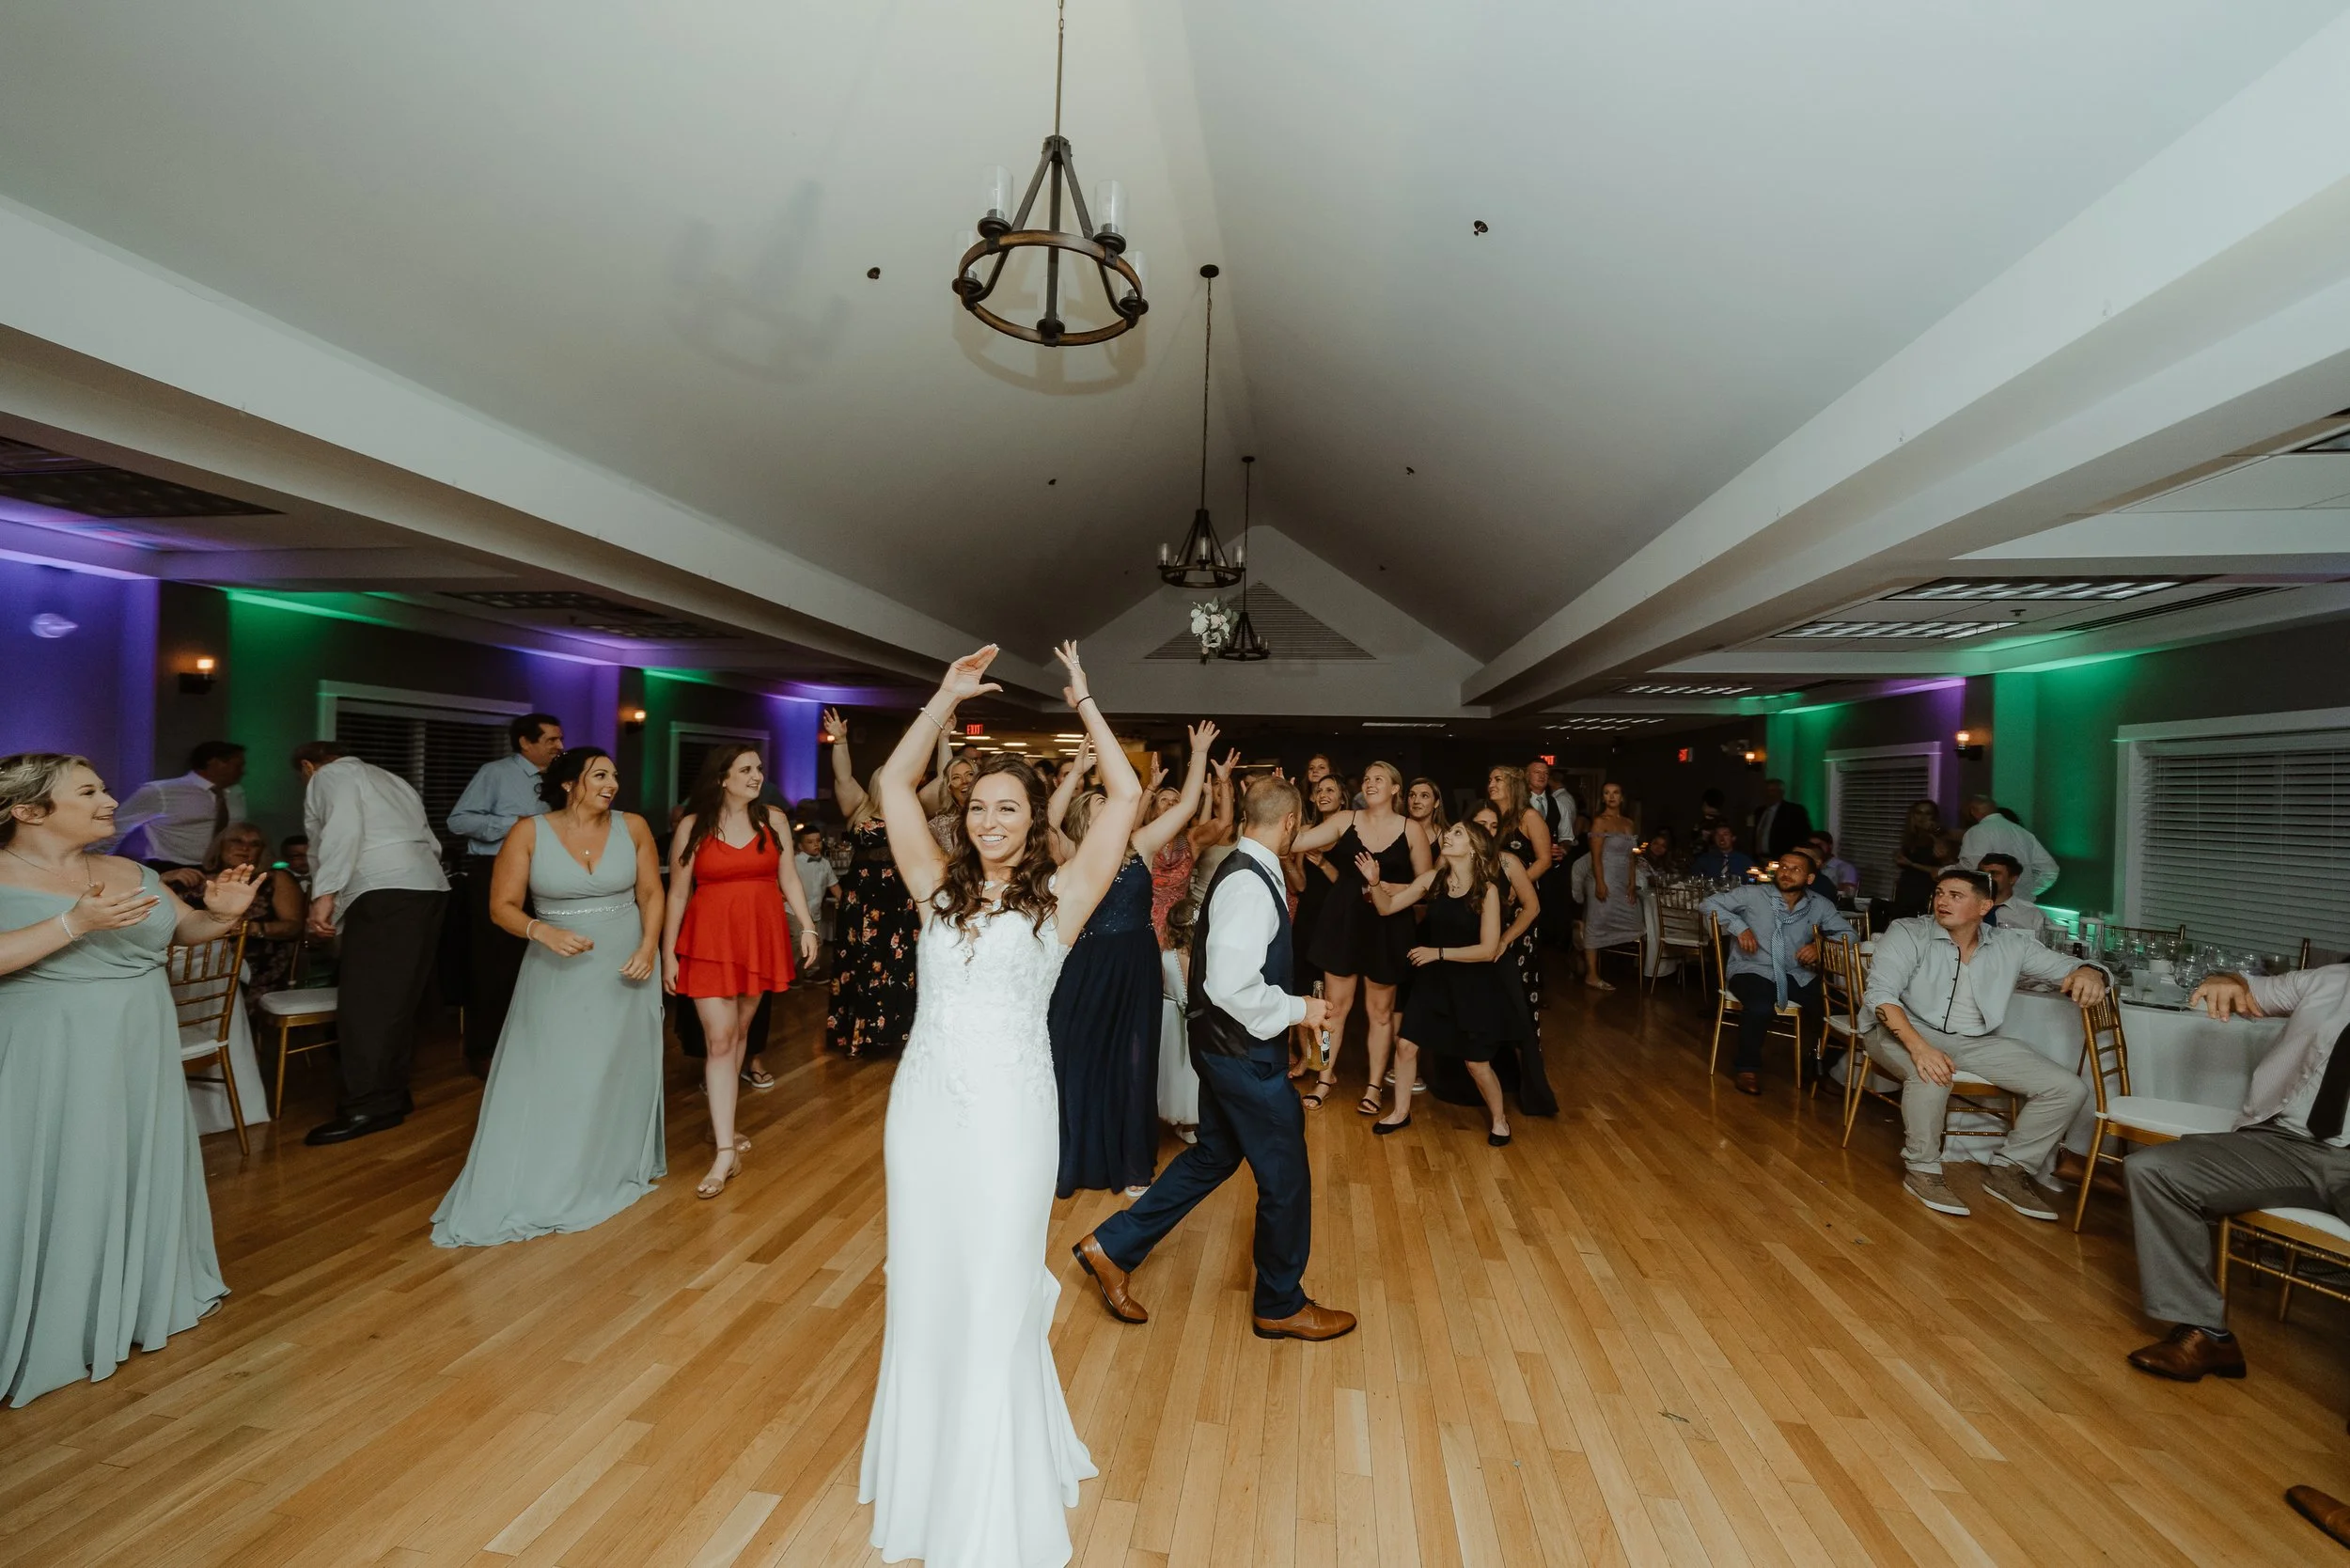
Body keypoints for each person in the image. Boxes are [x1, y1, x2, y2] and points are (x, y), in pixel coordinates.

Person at [856, 641, 1136, 1566]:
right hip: (924, 1110)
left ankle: (989, 1483)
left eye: (1008, 807)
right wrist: (943, 697)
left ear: (1034, 818)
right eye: (978, 806)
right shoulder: (934, 886)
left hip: (1014, 1116)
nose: (989, 820)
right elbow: (892, 785)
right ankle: (929, 1466)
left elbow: (1127, 797)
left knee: (997, 1284)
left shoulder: (1064, 897)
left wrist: (1085, 703)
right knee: (928, 1281)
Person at [1, 752, 258, 1406]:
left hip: (141, 1046)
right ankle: (51, 1318)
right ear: (28, 810)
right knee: (62, 1167)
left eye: (105, 789)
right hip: (51, 1053)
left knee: (130, 1161)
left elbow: (184, 929)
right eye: (88, 792)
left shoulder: (129, 870)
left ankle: (132, 1298)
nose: (111, 802)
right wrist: (72, 923)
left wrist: (220, 915)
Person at [1075, 773, 1355, 1345]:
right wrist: (1300, 1008)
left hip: (1224, 1049)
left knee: (1214, 1156)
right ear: (1290, 823)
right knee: (1286, 1178)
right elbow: (1229, 984)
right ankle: (1280, 1304)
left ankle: (1112, 1247)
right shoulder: (1249, 883)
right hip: (1242, 1056)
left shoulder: (1247, 867)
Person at [431, 747, 666, 1246]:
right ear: (568, 784)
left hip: (627, 964)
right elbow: (502, 907)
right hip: (557, 968)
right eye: (599, 775)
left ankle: (609, 1165)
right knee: (557, 1070)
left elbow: (651, 893)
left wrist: (649, 948)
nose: (611, 784)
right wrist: (543, 932)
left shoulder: (634, 827)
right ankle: (551, 1173)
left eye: (614, 775)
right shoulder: (528, 832)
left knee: (616, 1068)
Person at [2114, 960, 2350, 1388]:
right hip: (2284, 1143)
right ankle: (2204, 1333)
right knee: (2154, 1171)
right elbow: (2251, 989)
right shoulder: (2330, 980)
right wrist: (2228, 982)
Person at [1859, 869, 2107, 1219]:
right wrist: (1920, 1048)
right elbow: (1880, 996)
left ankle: (2010, 1169)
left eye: (1956, 895)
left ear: (1984, 906)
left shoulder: (2011, 945)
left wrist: (2091, 972)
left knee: (2067, 1088)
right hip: (1900, 1030)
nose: (1942, 901)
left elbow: (2074, 966)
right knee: (1932, 1075)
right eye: (1939, 893)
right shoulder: (1908, 932)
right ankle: (1923, 1170)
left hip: (1972, 1040)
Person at [1050, 720, 1218, 1199]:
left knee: (1134, 1058)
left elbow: (1186, 806)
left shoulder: (1140, 844)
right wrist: (1074, 774)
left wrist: (1198, 753)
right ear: (1086, 821)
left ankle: (1131, 1163)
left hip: (1136, 963)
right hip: (1086, 964)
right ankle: (1077, 1157)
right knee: (1079, 1056)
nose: (1117, 811)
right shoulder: (1071, 852)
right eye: (1103, 806)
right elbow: (1046, 822)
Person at [661, 745, 820, 1197]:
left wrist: (807, 926)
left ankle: (722, 1126)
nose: (757, 776)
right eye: (746, 769)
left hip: (758, 938)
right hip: (708, 941)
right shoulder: (693, 826)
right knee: (719, 1038)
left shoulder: (773, 820)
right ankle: (725, 1153)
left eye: (759, 768)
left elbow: (788, 877)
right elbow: (677, 893)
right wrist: (668, 954)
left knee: (739, 1035)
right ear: (721, 778)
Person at [295, 741, 450, 1146]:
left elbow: (342, 832)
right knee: (397, 1002)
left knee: (365, 1006)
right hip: (428, 887)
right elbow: (430, 840)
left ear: (308, 766)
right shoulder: (391, 779)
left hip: (385, 890)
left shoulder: (330, 775)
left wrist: (324, 896)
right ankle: (391, 1095)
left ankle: (367, 1106)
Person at [1362, 819, 1527, 1144]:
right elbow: (1387, 907)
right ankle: (1400, 1112)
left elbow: (1488, 950)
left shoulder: (1488, 891)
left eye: (1457, 833)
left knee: (1476, 1064)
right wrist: (1376, 882)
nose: (1448, 836)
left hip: (1472, 986)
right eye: (1450, 832)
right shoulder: (1432, 880)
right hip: (1434, 982)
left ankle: (1499, 1119)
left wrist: (1437, 953)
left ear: (1475, 848)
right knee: (1406, 1046)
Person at [1291, 761, 1432, 1117]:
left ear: (1395, 789)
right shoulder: (1345, 820)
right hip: (1344, 920)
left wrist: (1393, 887)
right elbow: (1297, 841)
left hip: (1388, 925)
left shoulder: (1412, 829)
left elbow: (1428, 882)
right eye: (1366, 779)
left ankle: (1373, 1087)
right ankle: (1324, 1078)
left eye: (1378, 779)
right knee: (1332, 1009)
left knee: (1380, 1013)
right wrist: (1286, 804)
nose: (1370, 783)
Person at [446, 713, 564, 1074]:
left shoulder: (560, 779)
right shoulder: (495, 774)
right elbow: (458, 821)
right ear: (525, 743)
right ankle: (485, 1049)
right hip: (496, 871)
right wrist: (514, 825)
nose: (559, 746)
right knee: (494, 962)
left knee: (541, 959)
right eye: (551, 740)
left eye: (560, 739)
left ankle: (532, 1044)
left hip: (545, 875)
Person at [1702, 847, 1851, 1095]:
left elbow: (1849, 934)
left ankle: (1818, 1067)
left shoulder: (1820, 905)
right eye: (1783, 866)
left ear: (1809, 879)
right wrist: (1739, 927)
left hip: (1795, 972)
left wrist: (1821, 945)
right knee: (1761, 1005)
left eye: (1795, 869)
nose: (1786, 873)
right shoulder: (1752, 894)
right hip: (1752, 968)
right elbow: (1708, 904)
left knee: (1845, 1010)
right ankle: (1747, 1068)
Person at [822, 708, 922, 1058]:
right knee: (861, 963)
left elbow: (942, 784)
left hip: (898, 898)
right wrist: (840, 740)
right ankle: (858, 1034)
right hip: (863, 900)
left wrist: (941, 738)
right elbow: (843, 777)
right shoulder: (859, 807)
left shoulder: (910, 811)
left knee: (898, 964)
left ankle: (894, 1033)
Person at [198, 823, 307, 1021]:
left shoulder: (274, 878)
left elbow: (294, 926)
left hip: (257, 963)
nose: (245, 848)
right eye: (237, 841)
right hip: (200, 960)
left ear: (262, 851)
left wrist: (252, 928)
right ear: (220, 845)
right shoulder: (197, 878)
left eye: (255, 844)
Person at [118, 741, 247, 868]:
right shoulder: (160, 791)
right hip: (173, 868)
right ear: (214, 762)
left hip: (223, 867)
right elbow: (118, 826)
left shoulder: (236, 792)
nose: (242, 771)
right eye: (237, 765)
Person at [1583, 782, 1643, 990]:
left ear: (1622, 797)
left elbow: (1632, 857)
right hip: (1604, 877)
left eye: (1615, 793)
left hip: (1622, 879)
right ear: (1602, 798)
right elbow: (1596, 857)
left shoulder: (1629, 823)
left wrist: (1632, 883)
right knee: (1596, 924)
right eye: (1607, 793)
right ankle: (1591, 974)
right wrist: (1600, 883)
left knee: (1636, 923)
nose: (1611, 796)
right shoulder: (1600, 822)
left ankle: (1624, 968)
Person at [1956, 794, 2059, 897]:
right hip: (2021, 903)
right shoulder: (2023, 832)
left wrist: (1946, 871)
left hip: (1991, 901)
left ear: (1973, 811)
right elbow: (2050, 870)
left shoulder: (1977, 831)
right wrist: (2026, 892)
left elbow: (1970, 869)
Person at [1526, 758, 1577, 948]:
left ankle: (1549, 946)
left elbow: (1567, 838)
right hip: (1526, 866)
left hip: (1551, 870)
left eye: (1546, 773)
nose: (1542, 776)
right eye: (1537, 772)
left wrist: (1563, 848)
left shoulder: (1558, 804)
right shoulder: (1519, 803)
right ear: (1527, 776)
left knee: (1551, 910)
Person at [791, 824, 838, 974]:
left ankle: (811, 973)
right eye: (810, 842)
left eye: (818, 841)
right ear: (800, 846)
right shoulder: (794, 862)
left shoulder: (825, 863)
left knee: (817, 942)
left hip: (815, 912)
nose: (816, 844)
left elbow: (833, 885)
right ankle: (793, 973)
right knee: (798, 940)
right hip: (794, 911)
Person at [1889, 799, 1945, 918]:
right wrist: (1899, 858)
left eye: (1927, 813)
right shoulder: (1912, 838)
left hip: (1925, 889)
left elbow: (1941, 870)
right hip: (1907, 887)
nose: (1922, 817)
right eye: (1919, 813)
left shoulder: (1939, 838)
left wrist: (1911, 864)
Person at [1976, 852, 2048, 935]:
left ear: (2012, 879)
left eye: (1994, 873)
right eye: (1981, 873)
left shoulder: (2032, 914)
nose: (1986, 878)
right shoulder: (1966, 907)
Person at [1747, 776, 1814, 859]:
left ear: (1781, 793)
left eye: (1772, 791)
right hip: (1759, 858)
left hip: (1782, 858)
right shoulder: (1759, 811)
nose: (1769, 794)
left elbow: (1804, 836)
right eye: (1766, 791)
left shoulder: (1794, 811)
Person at [1689, 821, 1755, 882]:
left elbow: (1753, 883)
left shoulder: (1745, 861)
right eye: (1718, 835)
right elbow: (1694, 880)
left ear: (1733, 838)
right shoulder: (1704, 860)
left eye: (1725, 834)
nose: (1721, 838)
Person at [1808, 832, 1860, 902]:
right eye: (1811, 846)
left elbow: (1847, 894)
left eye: (1819, 845)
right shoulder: (1807, 866)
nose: (1815, 849)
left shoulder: (1846, 868)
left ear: (1830, 846)